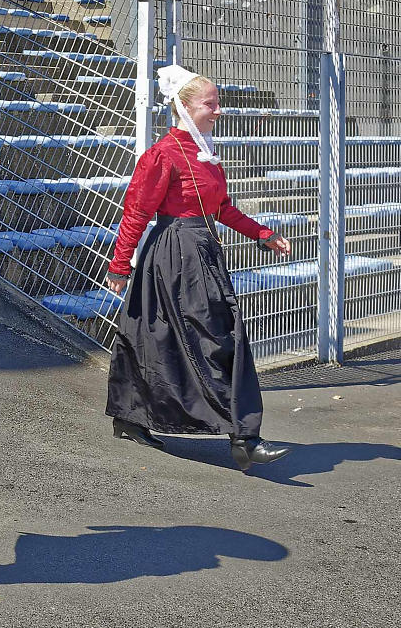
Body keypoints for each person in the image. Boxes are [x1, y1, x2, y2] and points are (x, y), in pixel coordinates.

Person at [102, 65, 296, 471]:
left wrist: (262, 233)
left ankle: (144, 419)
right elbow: (136, 212)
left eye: (217, 102)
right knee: (201, 339)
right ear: (185, 107)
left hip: (203, 253)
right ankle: (242, 436)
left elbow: (222, 209)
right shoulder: (163, 155)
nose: (218, 110)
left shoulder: (206, 155)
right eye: (211, 104)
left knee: (186, 340)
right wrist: (119, 266)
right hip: (174, 256)